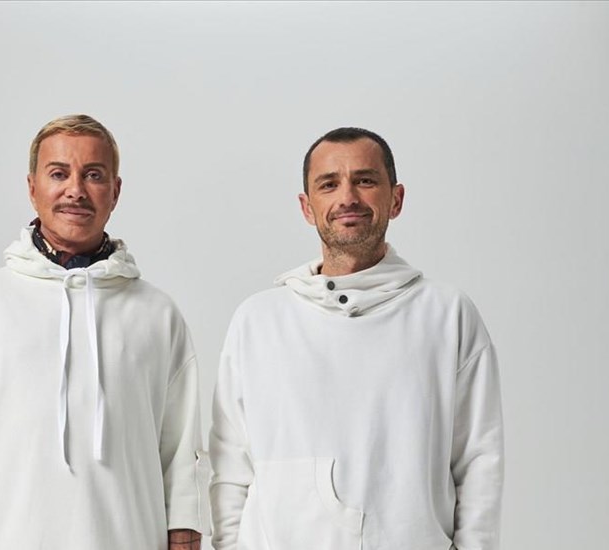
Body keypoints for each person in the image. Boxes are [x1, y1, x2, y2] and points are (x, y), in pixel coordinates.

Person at [0, 114, 210, 550]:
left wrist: (185, 533)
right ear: (32, 187)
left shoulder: (157, 314)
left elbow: (180, 452)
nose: (75, 190)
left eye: (94, 175)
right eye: (59, 174)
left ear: (115, 191)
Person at [209, 127, 504, 550]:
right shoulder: (258, 320)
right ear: (307, 207)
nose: (347, 197)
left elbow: (478, 462)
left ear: (396, 199)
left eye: (365, 180)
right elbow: (230, 466)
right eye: (329, 184)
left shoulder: (446, 314)